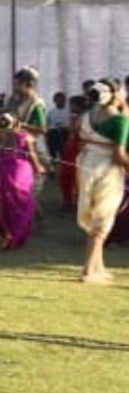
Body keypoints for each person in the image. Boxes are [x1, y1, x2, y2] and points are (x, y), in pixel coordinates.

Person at [75, 79, 128, 284]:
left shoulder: (87, 116)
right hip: (107, 170)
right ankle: (89, 271)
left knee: (93, 214)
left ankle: (99, 266)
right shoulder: (119, 120)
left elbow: (78, 136)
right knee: (102, 219)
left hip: (86, 164)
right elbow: (119, 155)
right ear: (115, 94)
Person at [0, 68, 48, 251]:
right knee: (16, 190)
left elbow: (42, 129)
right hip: (10, 145)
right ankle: (32, 220)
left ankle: (27, 222)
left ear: (29, 84)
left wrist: (20, 125)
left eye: (18, 84)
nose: (15, 87)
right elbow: (3, 116)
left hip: (30, 148)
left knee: (23, 191)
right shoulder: (13, 100)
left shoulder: (36, 104)